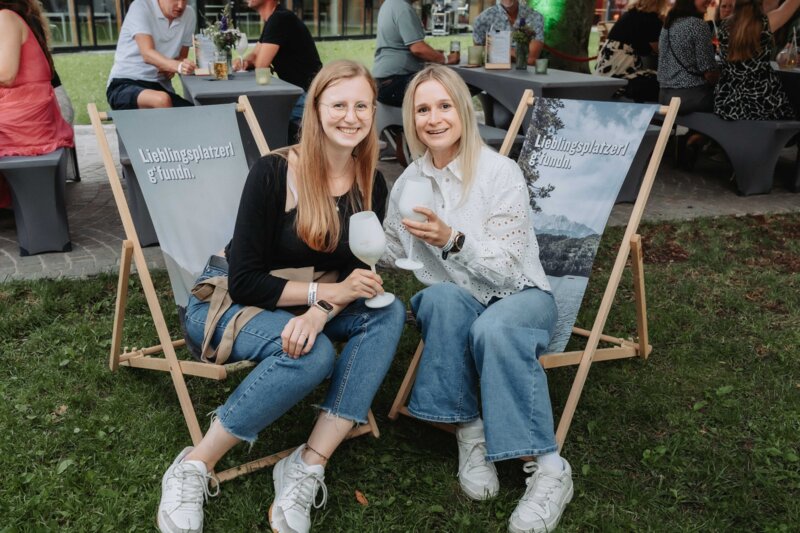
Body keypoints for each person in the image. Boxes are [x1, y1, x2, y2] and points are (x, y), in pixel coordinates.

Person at [156, 60, 406, 533]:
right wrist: (320, 297)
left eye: (361, 106)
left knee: (387, 311)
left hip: (303, 299)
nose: (350, 117)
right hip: (230, 300)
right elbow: (247, 278)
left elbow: (354, 272)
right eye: (338, 104)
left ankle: (307, 464)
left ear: (374, 112)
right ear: (315, 108)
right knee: (312, 358)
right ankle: (194, 464)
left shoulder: (371, 180)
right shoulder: (273, 172)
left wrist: (317, 312)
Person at [383, 65, 572, 533]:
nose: (433, 118)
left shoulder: (499, 172)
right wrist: (348, 238)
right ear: (411, 119)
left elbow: (508, 267)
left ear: (463, 111)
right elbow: (392, 247)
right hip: (462, 300)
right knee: (440, 300)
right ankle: (470, 432)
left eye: (444, 105)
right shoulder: (409, 181)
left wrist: (452, 239)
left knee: (494, 325)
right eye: (422, 109)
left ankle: (550, 470)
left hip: (523, 296)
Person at [0, 0, 74, 209]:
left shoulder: (5, 18)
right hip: (31, 117)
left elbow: (6, 75)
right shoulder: (16, 18)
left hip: (24, 123)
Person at [235, 0, 322, 133]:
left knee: (255, 118)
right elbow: (254, 55)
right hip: (299, 93)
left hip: (307, 99)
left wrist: (255, 62)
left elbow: (261, 65)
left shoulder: (280, 19)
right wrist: (246, 62)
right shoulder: (273, 19)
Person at [658, 0, 720, 168]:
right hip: (689, 97)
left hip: (664, 95)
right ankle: (699, 139)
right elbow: (708, 69)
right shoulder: (698, 25)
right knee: (729, 102)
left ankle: (688, 137)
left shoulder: (668, 24)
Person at [714, 0, 800, 120]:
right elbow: (789, 6)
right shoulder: (766, 23)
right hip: (763, 103)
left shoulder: (724, 26)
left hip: (728, 102)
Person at [106, 0, 196, 110]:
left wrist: (175, 66)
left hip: (160, 86)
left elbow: (181, 57)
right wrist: (177, 66)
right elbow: (147, 54)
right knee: (161, 100)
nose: (181, 5)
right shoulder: (140, 6)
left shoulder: (189, 14)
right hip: (124, 83)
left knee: (194, 114)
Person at [373, 0, 460, 107]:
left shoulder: (389, 4)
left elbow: (400, 44)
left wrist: (432, 54)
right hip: (397, 79)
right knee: (449, 91)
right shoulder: (402, 7)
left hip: (384, 81)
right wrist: (446, 59)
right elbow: (418, 49)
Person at [594, 0, 666, 102]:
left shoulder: (630, 14)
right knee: (667, 84)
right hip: (621, 80)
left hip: (604, 76)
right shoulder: (652, 19)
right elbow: (662, 50)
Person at [472, 0, 545, 66]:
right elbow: (477, 55)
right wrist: (519, 54)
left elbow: (530, 59)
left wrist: (495, 49)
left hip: (525, 76)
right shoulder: (482, 19)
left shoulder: (535, 17)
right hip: (494, 74)